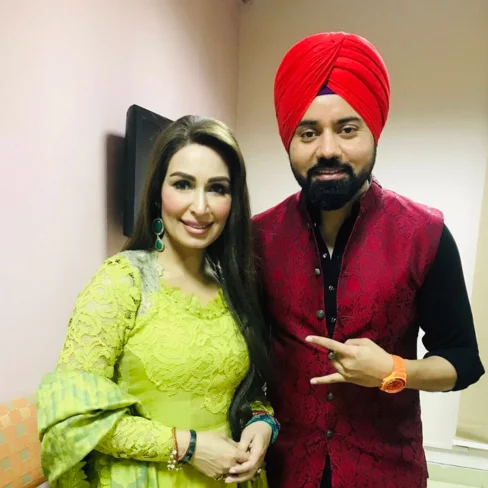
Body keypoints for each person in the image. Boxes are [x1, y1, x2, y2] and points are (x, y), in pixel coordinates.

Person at [252, 32, 485, 488]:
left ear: (373, 132)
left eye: (347, 129)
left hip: (386, 472)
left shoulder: (425, 235)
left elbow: (462, 362)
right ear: (289, 141)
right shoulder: (257, 238)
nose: (327, 150)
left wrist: (395, 371)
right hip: (283, 472)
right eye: (308, 132)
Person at [37, 115, 279, 488]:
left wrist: (262, 424)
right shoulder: (122, 282)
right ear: (157, 192)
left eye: (217, 189)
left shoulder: (235, 288)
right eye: (183, 184)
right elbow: (75, 420)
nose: (201, 206)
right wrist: (187, 445)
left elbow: (249, 391)